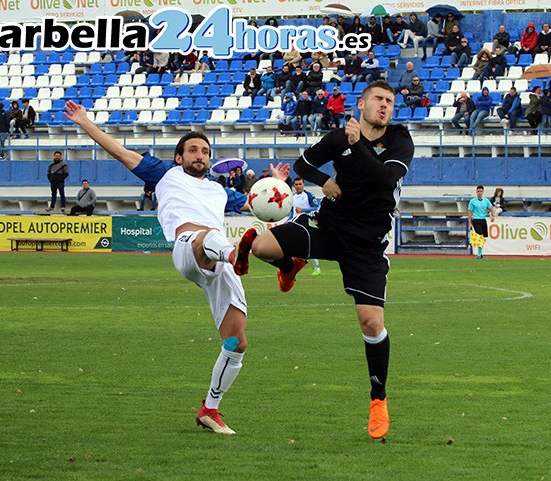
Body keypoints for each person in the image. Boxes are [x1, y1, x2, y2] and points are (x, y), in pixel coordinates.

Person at [64, 99, 289, 435]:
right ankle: (244, 257)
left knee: (237, 343)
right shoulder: (163, 173)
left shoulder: (220, 190)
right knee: (209, 235)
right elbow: (120, 151)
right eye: (193, 150)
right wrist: (84, 122)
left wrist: (274, 187)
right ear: (180, 157)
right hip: (189, 248)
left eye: (205, 151)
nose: (200, 155)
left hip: (219, 263)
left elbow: (261, 205)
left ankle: (210, 409)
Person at [235, 80, 414, 440]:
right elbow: (302, 164)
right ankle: (290, 266)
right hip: (329, 226)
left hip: (366, 244)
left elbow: (384, 180)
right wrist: (323, 181)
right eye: (378, 100)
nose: (384, 106)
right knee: (263, 247)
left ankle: (378, 398)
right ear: (361, 105)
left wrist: (357, 145)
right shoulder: (338, 137)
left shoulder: (398, 139)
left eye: (390, 102)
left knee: (370, 323)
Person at [290, 177, 322, 275]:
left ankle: (317, 268)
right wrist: (288, 221)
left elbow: (316, 207)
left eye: (300, 184)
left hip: (307, 222)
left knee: (309, 245)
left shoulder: (308, 195)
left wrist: (303, 210)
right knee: (292, 245)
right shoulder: (292, 197)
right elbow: (292, 212)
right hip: (295, 223)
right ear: (294, 186)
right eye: (296, 184)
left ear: (303, 185)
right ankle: (293, 268)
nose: (298, 186)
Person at [468, 185, 495, 259]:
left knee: (483, 237)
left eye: (481, 191)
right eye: (478, 191)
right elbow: (470, 212)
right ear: (476, 192)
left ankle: (480, 253)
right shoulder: (473, 201)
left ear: (483, 192)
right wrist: (470, 222)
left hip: (483, 219)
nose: (479, 193)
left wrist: (493, 215)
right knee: (479, 235)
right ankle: (479, 254)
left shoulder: (486, 201)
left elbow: (491, 208)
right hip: (476, 219)